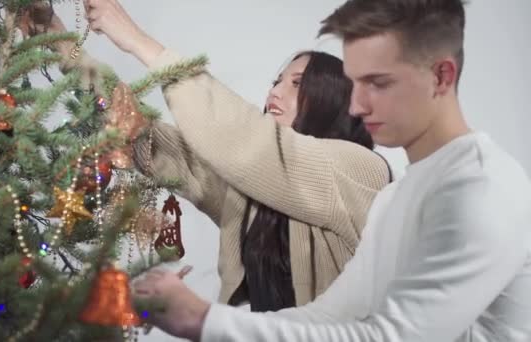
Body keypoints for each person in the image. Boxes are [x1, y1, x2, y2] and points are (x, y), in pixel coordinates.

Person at [85, 0, 531, 341]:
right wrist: (62, 47)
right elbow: (328, 318)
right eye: (355, 84)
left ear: (440, 77)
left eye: (376, 83)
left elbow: (388, 337)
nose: (357, 105)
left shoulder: (475, 187)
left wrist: (203, 319)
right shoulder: (400, 198)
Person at [19, 3, 391, 313]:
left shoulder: (360, 170)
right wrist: (56, 38)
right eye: (277, 80)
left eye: (298, 83)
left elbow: (249, 141)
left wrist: (137, 41)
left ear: (337, 101)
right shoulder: (250, 193)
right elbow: (140, 133)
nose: (276, 90)